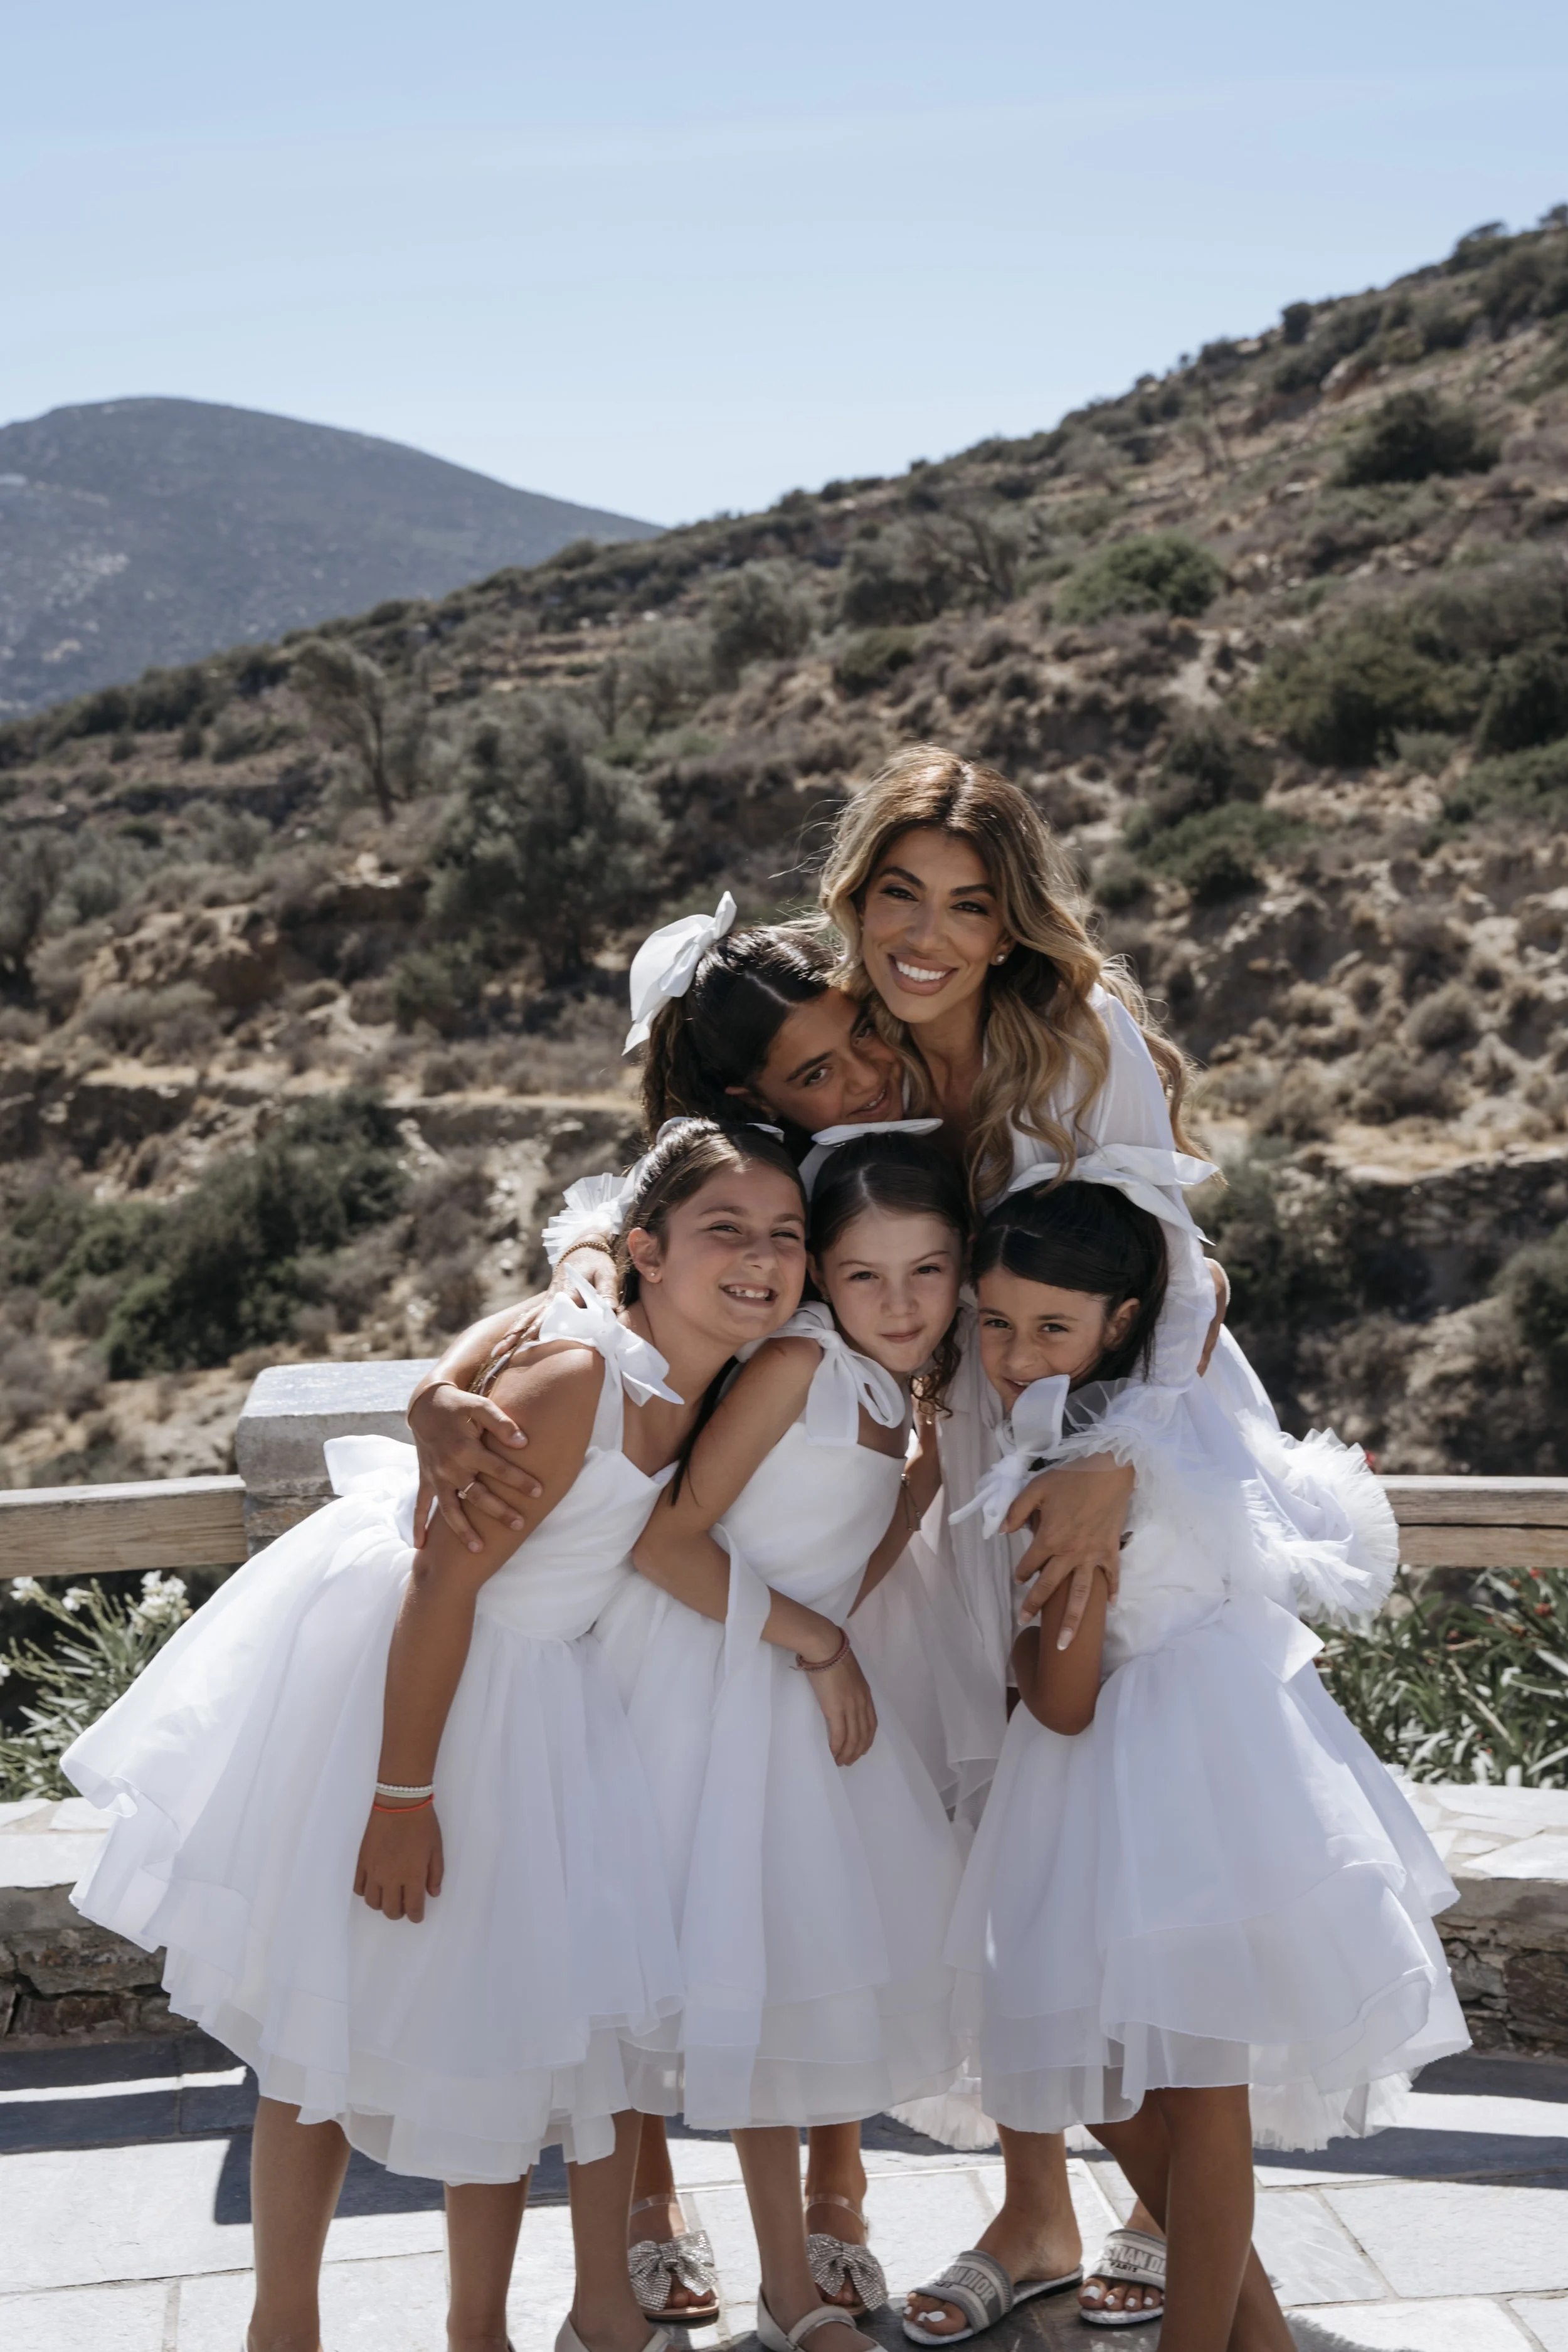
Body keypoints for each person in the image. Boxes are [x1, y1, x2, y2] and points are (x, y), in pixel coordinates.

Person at [63, 1120, 813, 2352]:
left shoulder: (719, 1377)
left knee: (504, 2030)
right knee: (323, 2025)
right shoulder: (580, 1377)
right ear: (644, 1252)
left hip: (542, 1700)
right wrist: (400, 1796)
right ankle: (283, 2326)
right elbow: (438, 1583)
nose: (760, 1258)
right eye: (723, 1231)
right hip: (413, 1688)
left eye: (783, 1237)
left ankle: (479, 2329)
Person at [936, 1168, 1467, 2351]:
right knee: (1168, 2088)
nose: (1019, 1353)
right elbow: (1201, 1291)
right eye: (999, 1322)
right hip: (1238, 1743)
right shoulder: (1176, 1415)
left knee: (1162, 2093)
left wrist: (1014, 1656)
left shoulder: (1074, 1468)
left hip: (1142, 1765)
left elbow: (1066, 1700)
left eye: (1051, 1327)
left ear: (1121, 1320)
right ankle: (1258, 2335)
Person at [608, 1127, 972, 2352]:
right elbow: (666, 1540)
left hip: (790, 1695)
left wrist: (916, 1492)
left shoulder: (891, 1395)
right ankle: (786, 2293)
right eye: (864, 1275)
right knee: (749, 1990)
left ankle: (793, 2277)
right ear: (821, 1279)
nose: (899, 1302)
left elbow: (853, 1571)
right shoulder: (798, 1369)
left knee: (795, 1994)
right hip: (714, 1691)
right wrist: (813, 1646)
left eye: (926, 1273)